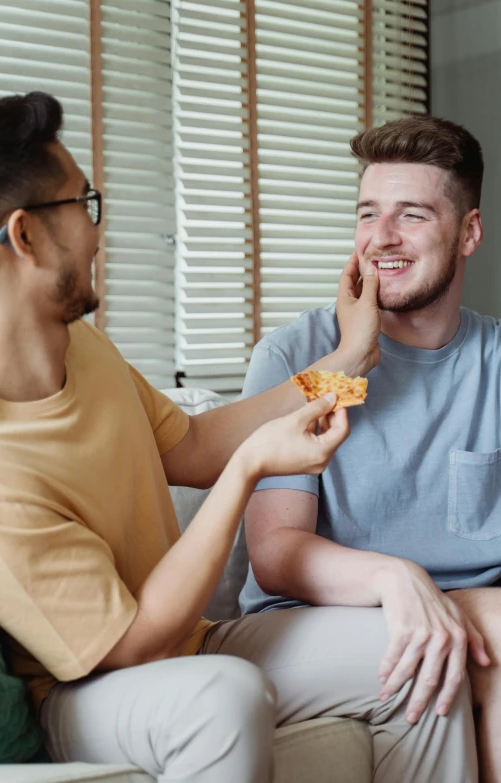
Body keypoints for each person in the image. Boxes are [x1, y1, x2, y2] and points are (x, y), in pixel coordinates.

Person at [0, 92, 477, 783]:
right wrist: (250, 468)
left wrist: (345, 361)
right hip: (83, 694)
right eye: (83, 204)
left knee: (420, 645)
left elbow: (192, 446)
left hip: (195, 641)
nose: (99, 231)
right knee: (224, 694)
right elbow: (133, 642)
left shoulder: (83, 349)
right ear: (25, 236)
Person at [240, 115, 501, 781]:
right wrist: (397, 579)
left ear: (468, 232)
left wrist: (460, 605)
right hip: (312, 622)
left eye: (410, 215)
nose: (380, 237)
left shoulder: (495, 361)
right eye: (368, 214)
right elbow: (275, 555)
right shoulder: (298, 357)